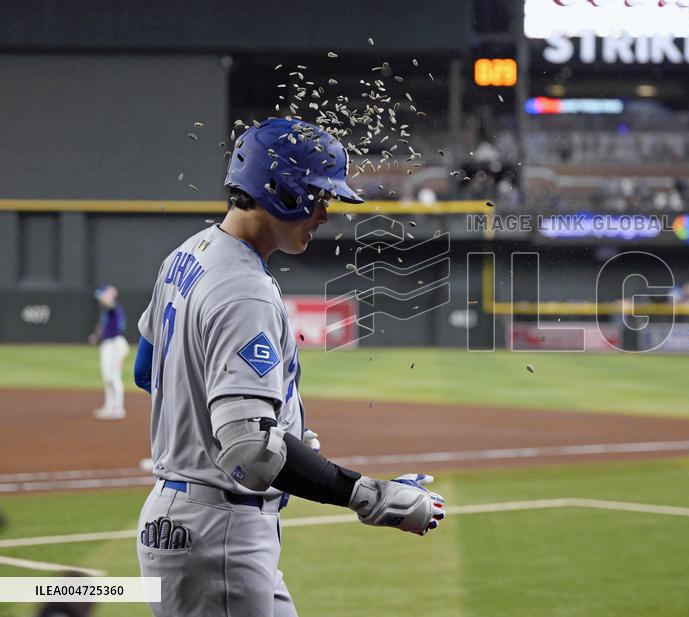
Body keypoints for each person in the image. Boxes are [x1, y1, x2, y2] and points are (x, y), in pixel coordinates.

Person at [133, 118, 445, 617]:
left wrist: (278, 438)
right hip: (220, 536)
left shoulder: (188, 253)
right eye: (319, 196)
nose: (325, 213)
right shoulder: (243, 288)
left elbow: (147, 370)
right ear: (281, 191)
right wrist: (371, 496)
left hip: (195, 521)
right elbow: (251, 455)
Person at [89, 285, 129, 420]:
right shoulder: (105, 312)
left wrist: (109, 295)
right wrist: (97, 337)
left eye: (102, 296)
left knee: (115, 376)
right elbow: (102, 327)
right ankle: (109, 406)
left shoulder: (114, 308)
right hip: (107, 344)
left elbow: (110, 304)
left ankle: (119, 408)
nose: (100, 299)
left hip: (116, 343)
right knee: (107, 377)